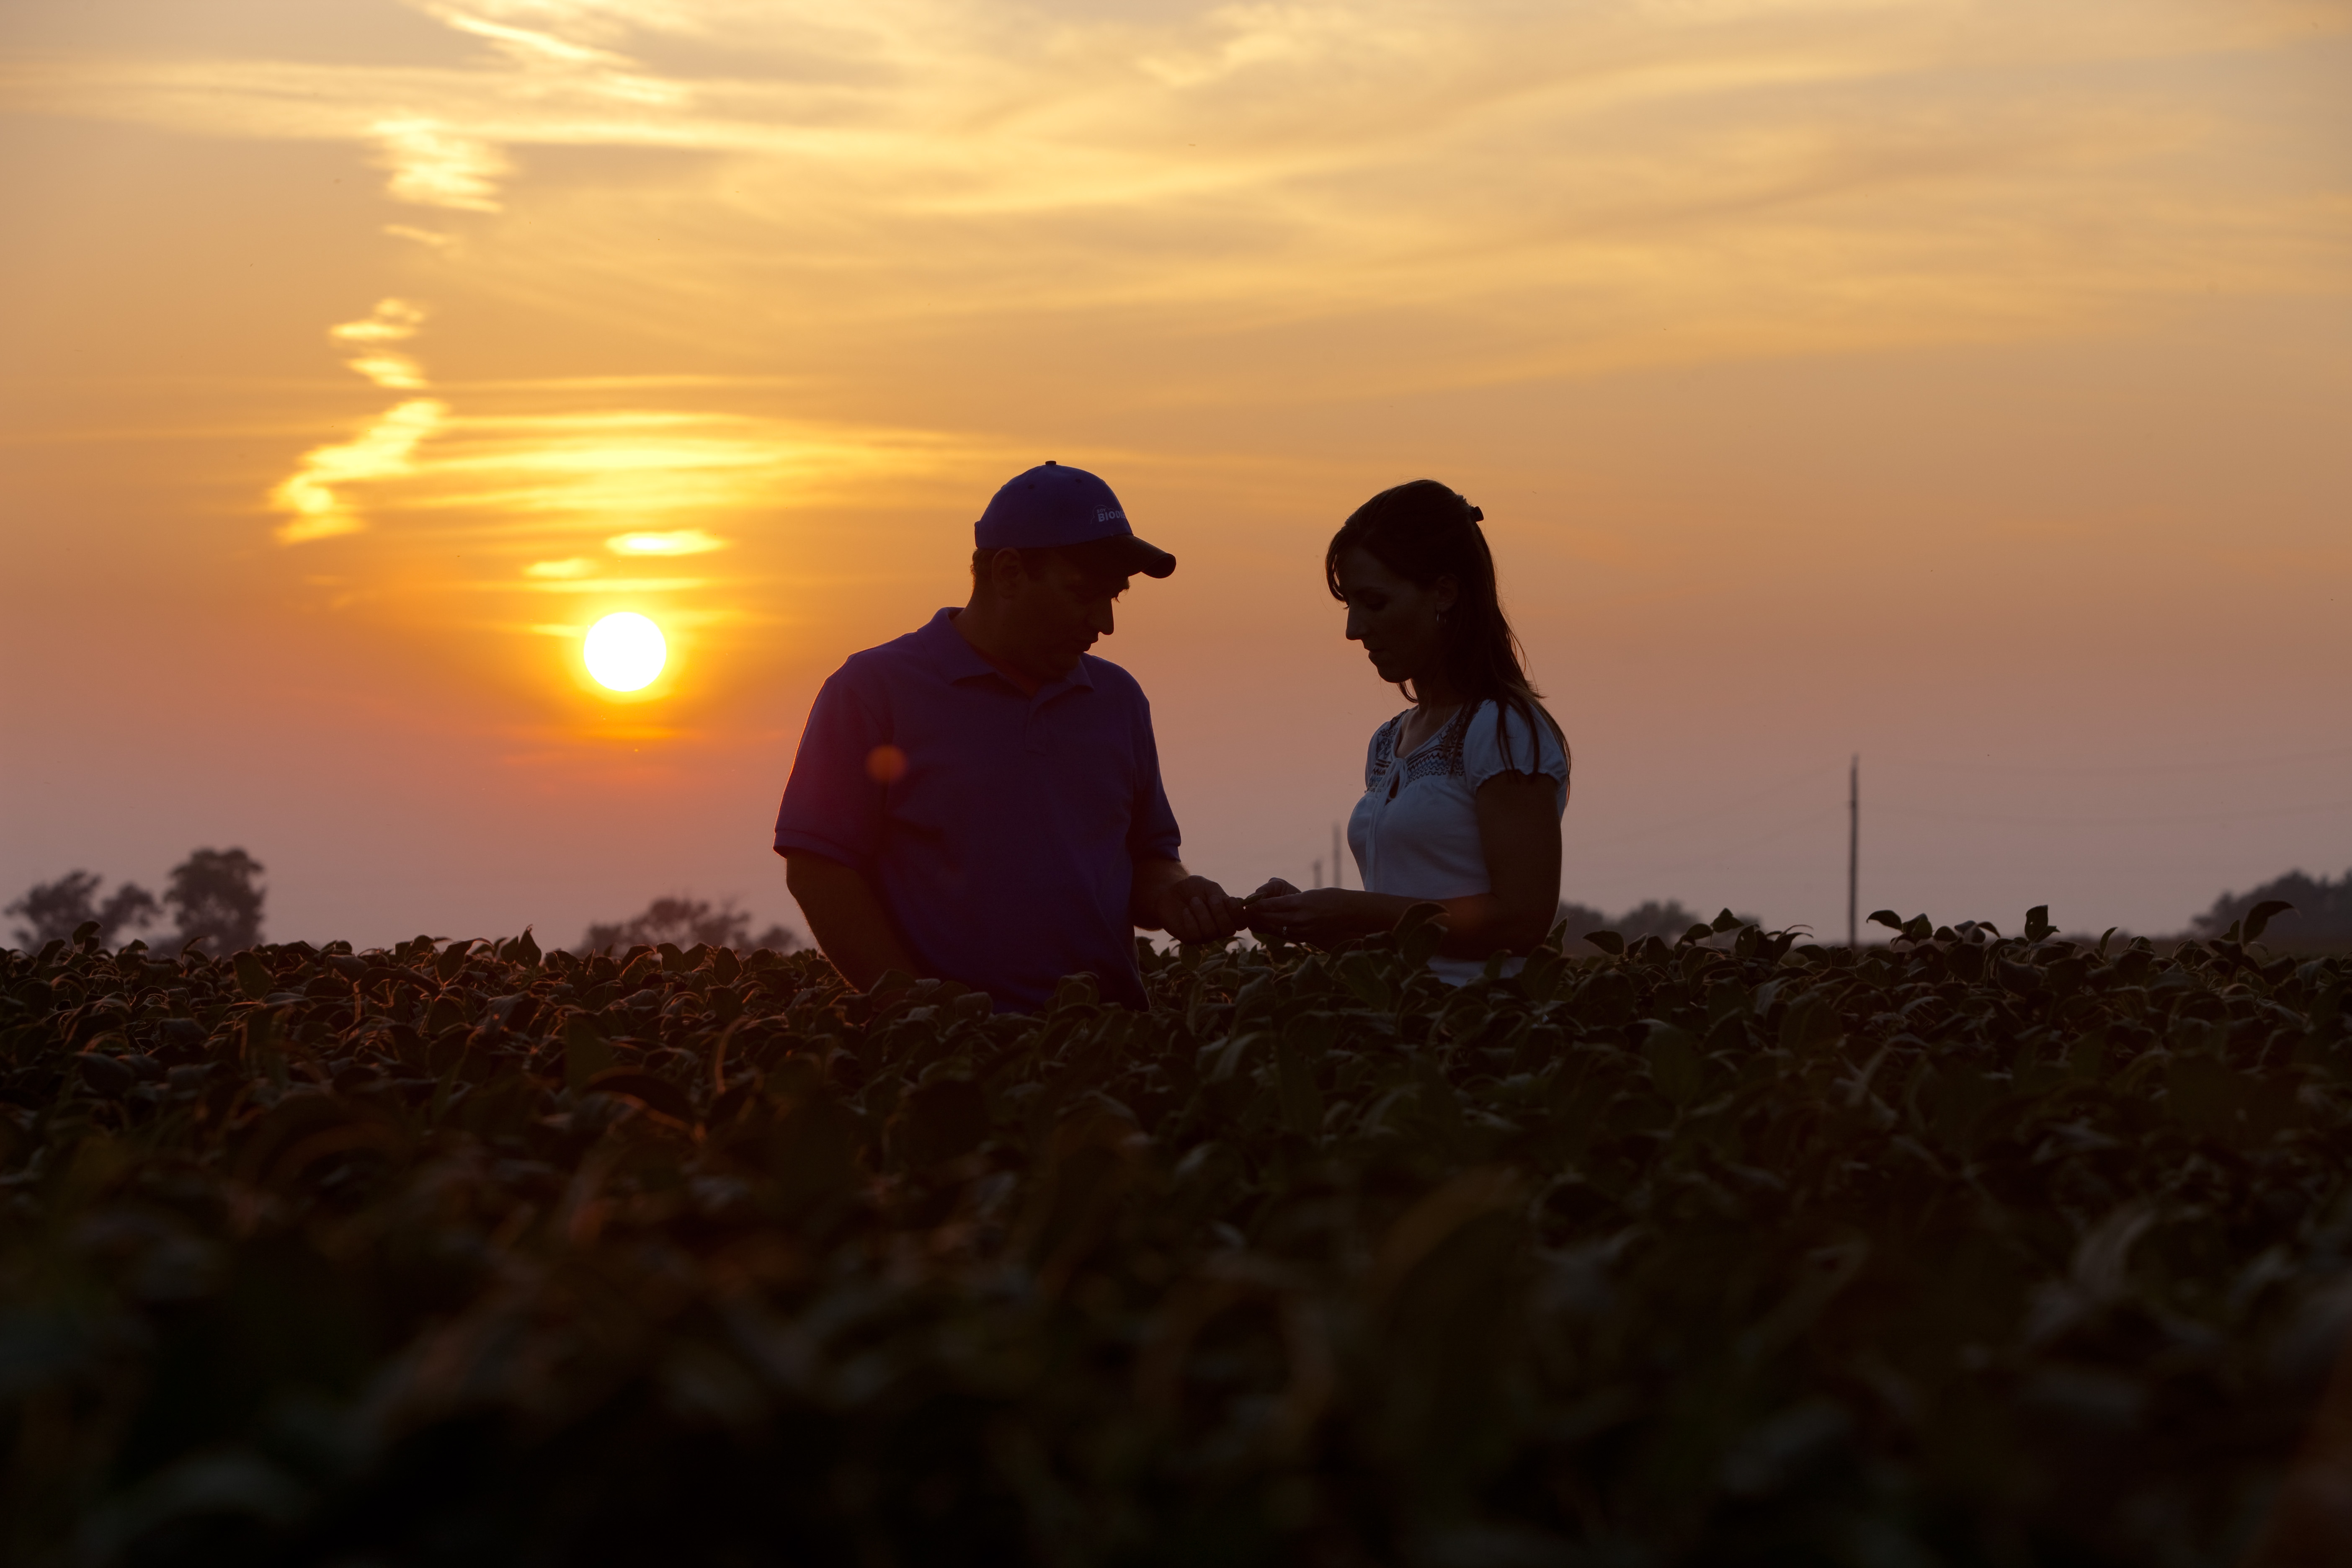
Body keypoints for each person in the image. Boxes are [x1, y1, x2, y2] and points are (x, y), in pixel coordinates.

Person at [773, 461, 1244, 1011]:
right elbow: (819, 869)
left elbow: (1148, 858)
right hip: (948, 1063)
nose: (1105, 623)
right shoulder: (871, 691)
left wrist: (1176, 895)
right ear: (1009, 574)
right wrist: (918, 1016)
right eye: (1084, 593)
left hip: (1109, 1048)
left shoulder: (1119, 701)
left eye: (1115, 597)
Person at [1243, 480, 1569, 983]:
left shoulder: (1503, 730)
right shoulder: (1388, 741)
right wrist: (1312, 915)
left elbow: (1522, 921)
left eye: (1374, 603)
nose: (1354, 629)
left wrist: (1356, 914)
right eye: (1349, 604)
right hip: (1399, 1017)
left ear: (1444, 591)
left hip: (1480, 1028)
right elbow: (1406, 918)